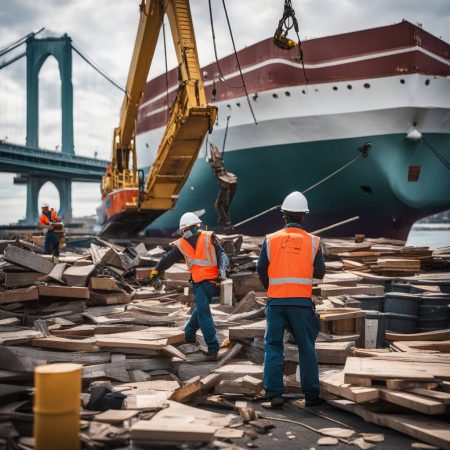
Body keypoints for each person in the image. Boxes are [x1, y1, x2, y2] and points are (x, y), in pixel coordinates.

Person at [256, 191, 326, 408]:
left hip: (276, 303)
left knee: (273, 347)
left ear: (284, 215)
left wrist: (272, 288)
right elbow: (321, 273)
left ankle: (274, 395)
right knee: (306, 347)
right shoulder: (313, 242)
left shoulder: (270, 240)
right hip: (301, 303)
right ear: (304, 216)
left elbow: (260, 269)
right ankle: (311, 396)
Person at [149, 212, 230, 358]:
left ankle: (213, 347)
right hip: (207, 282)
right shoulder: (184, 244)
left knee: (203, 312)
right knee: (201, 308)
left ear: (195, 227)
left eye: (187, 229)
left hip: (207, 281)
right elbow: (169, 258)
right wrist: (157, 270)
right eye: (183, 230)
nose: (185, 232)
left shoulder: (208, 237)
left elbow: (222, 254)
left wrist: (223, 269)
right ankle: (189, 334)